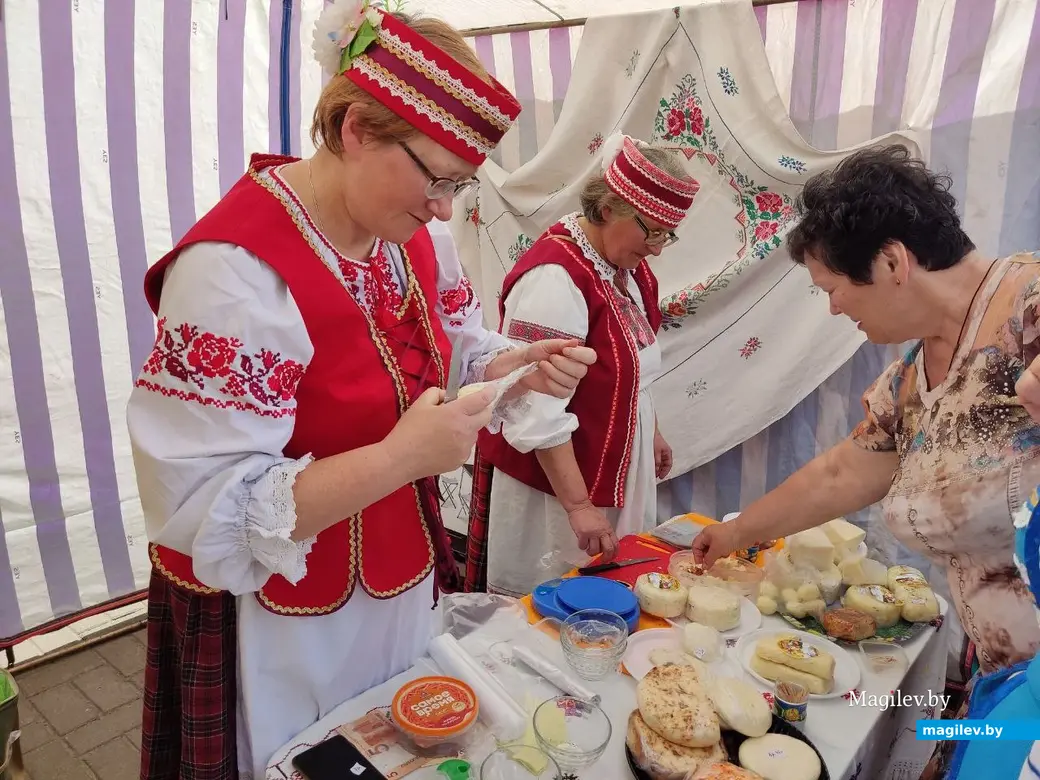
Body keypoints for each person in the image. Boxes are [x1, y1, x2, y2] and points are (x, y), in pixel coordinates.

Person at [127, 3, 598, 778]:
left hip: (395, 577)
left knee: (403, 746)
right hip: (282, 617)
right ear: (355, 129)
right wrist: (400, 459)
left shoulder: (410, 234)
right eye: (438, 177)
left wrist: (505, 367)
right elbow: (205, 509)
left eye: (462, 185)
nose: (446, 207)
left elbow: (447, 353)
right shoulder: (235, 275)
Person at [692, 143, 1040, 772]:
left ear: (891, 262)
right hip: (996, 677)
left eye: (832, 288)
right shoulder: (911, 377)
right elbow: (843, 472)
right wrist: (736, 533)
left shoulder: (1025, 301)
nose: (833, 308)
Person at [465, 135, 699, 596]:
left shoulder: (628, 270)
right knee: (553, 594)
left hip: (606, 465)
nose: (657, 247)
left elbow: (632, 364)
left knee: (608, 591)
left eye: (666, 234)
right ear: (610, 208)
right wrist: (577, 507)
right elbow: (534, 403)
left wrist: (649, 430)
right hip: (554, 488)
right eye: (651, 230)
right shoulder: (555, 278)